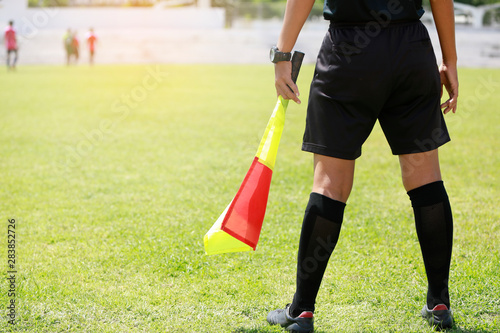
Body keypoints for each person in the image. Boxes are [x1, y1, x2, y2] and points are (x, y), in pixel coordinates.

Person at [266, 0, 458, 332]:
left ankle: (302, 311)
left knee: (329, 184)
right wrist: (450, 60)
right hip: (411, 50)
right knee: (425, 178)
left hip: (348, 50)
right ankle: (439, 302)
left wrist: (283, 56)